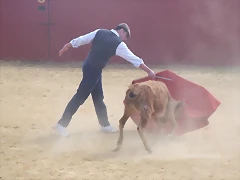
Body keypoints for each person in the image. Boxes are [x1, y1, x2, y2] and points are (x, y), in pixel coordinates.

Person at [53, 23, 156, 137]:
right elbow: (134, 59)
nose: (123, 39)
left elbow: (82, 39)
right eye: (125, 36)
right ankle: (61, 124)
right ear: (122, 30)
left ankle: (104, 125)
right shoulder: (118, 43)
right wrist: (149, 71)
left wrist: (68, 45)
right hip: (94, 70)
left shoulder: (100, 31)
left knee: (98, 97)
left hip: (89, 66)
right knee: (80, 96)